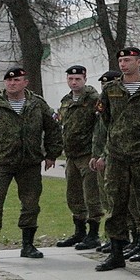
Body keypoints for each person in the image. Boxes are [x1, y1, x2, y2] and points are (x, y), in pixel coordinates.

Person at [0, 66, 64, 263]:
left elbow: (53, 128)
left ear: (25, 83)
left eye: (17, 81)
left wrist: (52, 154)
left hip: (29, 162)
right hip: (1, 162)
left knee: (31, 203)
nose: (12, 84)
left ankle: (28, 245)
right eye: (9, 81)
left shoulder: (37, 104)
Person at [92, 47, 140, 272]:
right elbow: (106, 120)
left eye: (128, 60)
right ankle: (116, 252)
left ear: (139, 62)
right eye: (121, 60)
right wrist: (105, 150)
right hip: (117, 156)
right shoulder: (111, 89)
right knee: (116, 204)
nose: (124, 64)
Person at [56, 65, 102, 250]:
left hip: (87, 154)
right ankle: (79, 231)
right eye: (70, 79)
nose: (74, 82)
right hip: (71, 155)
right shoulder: (66, 100)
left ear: (85, 78)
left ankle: (93, 233)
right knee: (73, 194)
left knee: (91, 194)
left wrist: (97, 153)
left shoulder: (93, 99)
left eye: (77, 79)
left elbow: (100, 127)